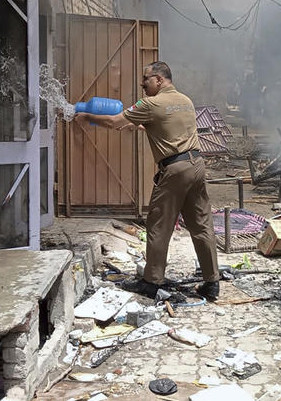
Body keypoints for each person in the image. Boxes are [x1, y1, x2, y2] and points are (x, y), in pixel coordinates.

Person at [74, 61, 220, 300]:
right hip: (197, 166)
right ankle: (212, 282)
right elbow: (169, 126)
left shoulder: (151, 103)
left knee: (158, 225)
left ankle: (151, 281)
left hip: (175, 170)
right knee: (201, 225)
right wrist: (142, 127)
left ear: (160, 80)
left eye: (146, 79)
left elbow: (114, 121)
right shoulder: (185, 100)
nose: (142, 84)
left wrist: (87, 116)